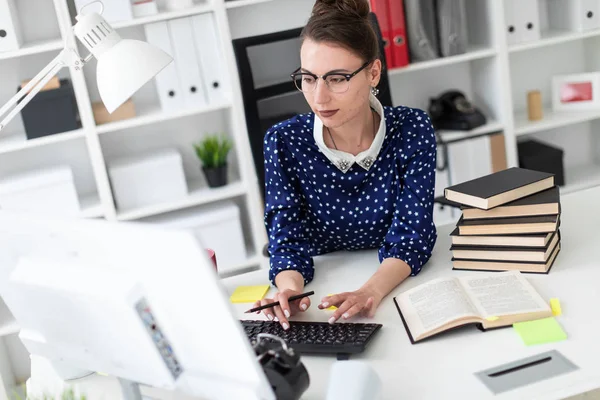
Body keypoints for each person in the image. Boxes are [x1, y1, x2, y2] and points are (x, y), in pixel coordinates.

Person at [255, 0, 438, 330]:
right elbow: (287, 242)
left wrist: (368, 292)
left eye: (337, 78)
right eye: (308, 78)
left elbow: (413, 237)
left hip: (392, 283)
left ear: (373, 73)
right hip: (324, 280)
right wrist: (289, 292)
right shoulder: (283, 142)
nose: (319, 98)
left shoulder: (413, 129)